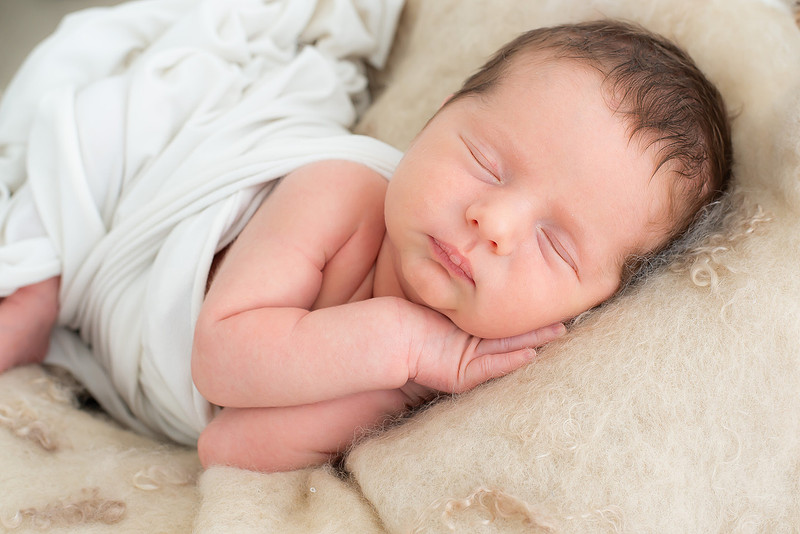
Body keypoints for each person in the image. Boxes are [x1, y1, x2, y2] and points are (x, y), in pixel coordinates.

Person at [0, 20, 731, 473]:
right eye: (484, 161)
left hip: (133, 363)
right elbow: (218, 359)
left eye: (556, 245)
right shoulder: (342, 193)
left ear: (593, 305)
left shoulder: (449, 377)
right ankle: (46, 278)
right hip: (153, 214)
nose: (493, 220)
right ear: (437, 118)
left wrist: (401, 385)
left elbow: (224, 445)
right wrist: (407, 349)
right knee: (69, 186)